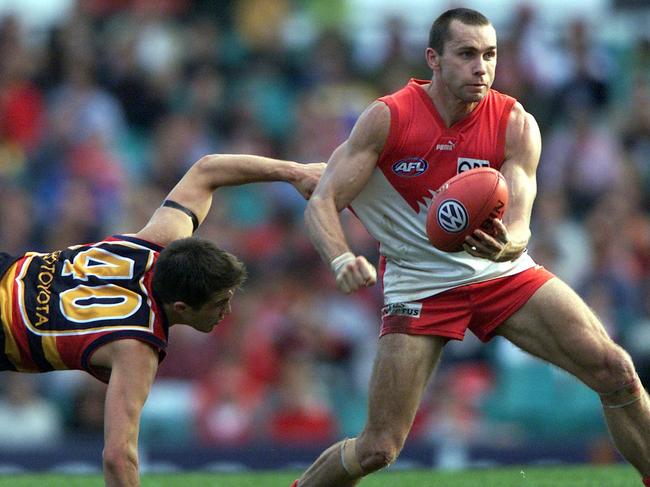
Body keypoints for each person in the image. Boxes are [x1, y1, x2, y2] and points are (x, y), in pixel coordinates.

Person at [294, 8, 650, 487]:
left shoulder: (514, 123)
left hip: (498, 273)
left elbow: (522, 220)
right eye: (466, 54)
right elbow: (322, 202)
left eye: (490, 55)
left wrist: (510, 245)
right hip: (419, 285)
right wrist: (340, 258)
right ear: (433, 60)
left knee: (616, 370)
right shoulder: (388, 117)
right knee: (379, 446)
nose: (481, 67)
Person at [0, 153, 324, 486]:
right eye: (219, 303)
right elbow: (118, 456)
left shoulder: (158, 239)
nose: (227, 312)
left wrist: (295, 172)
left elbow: (208, 168)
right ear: (181, 306)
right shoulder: (135, 346)